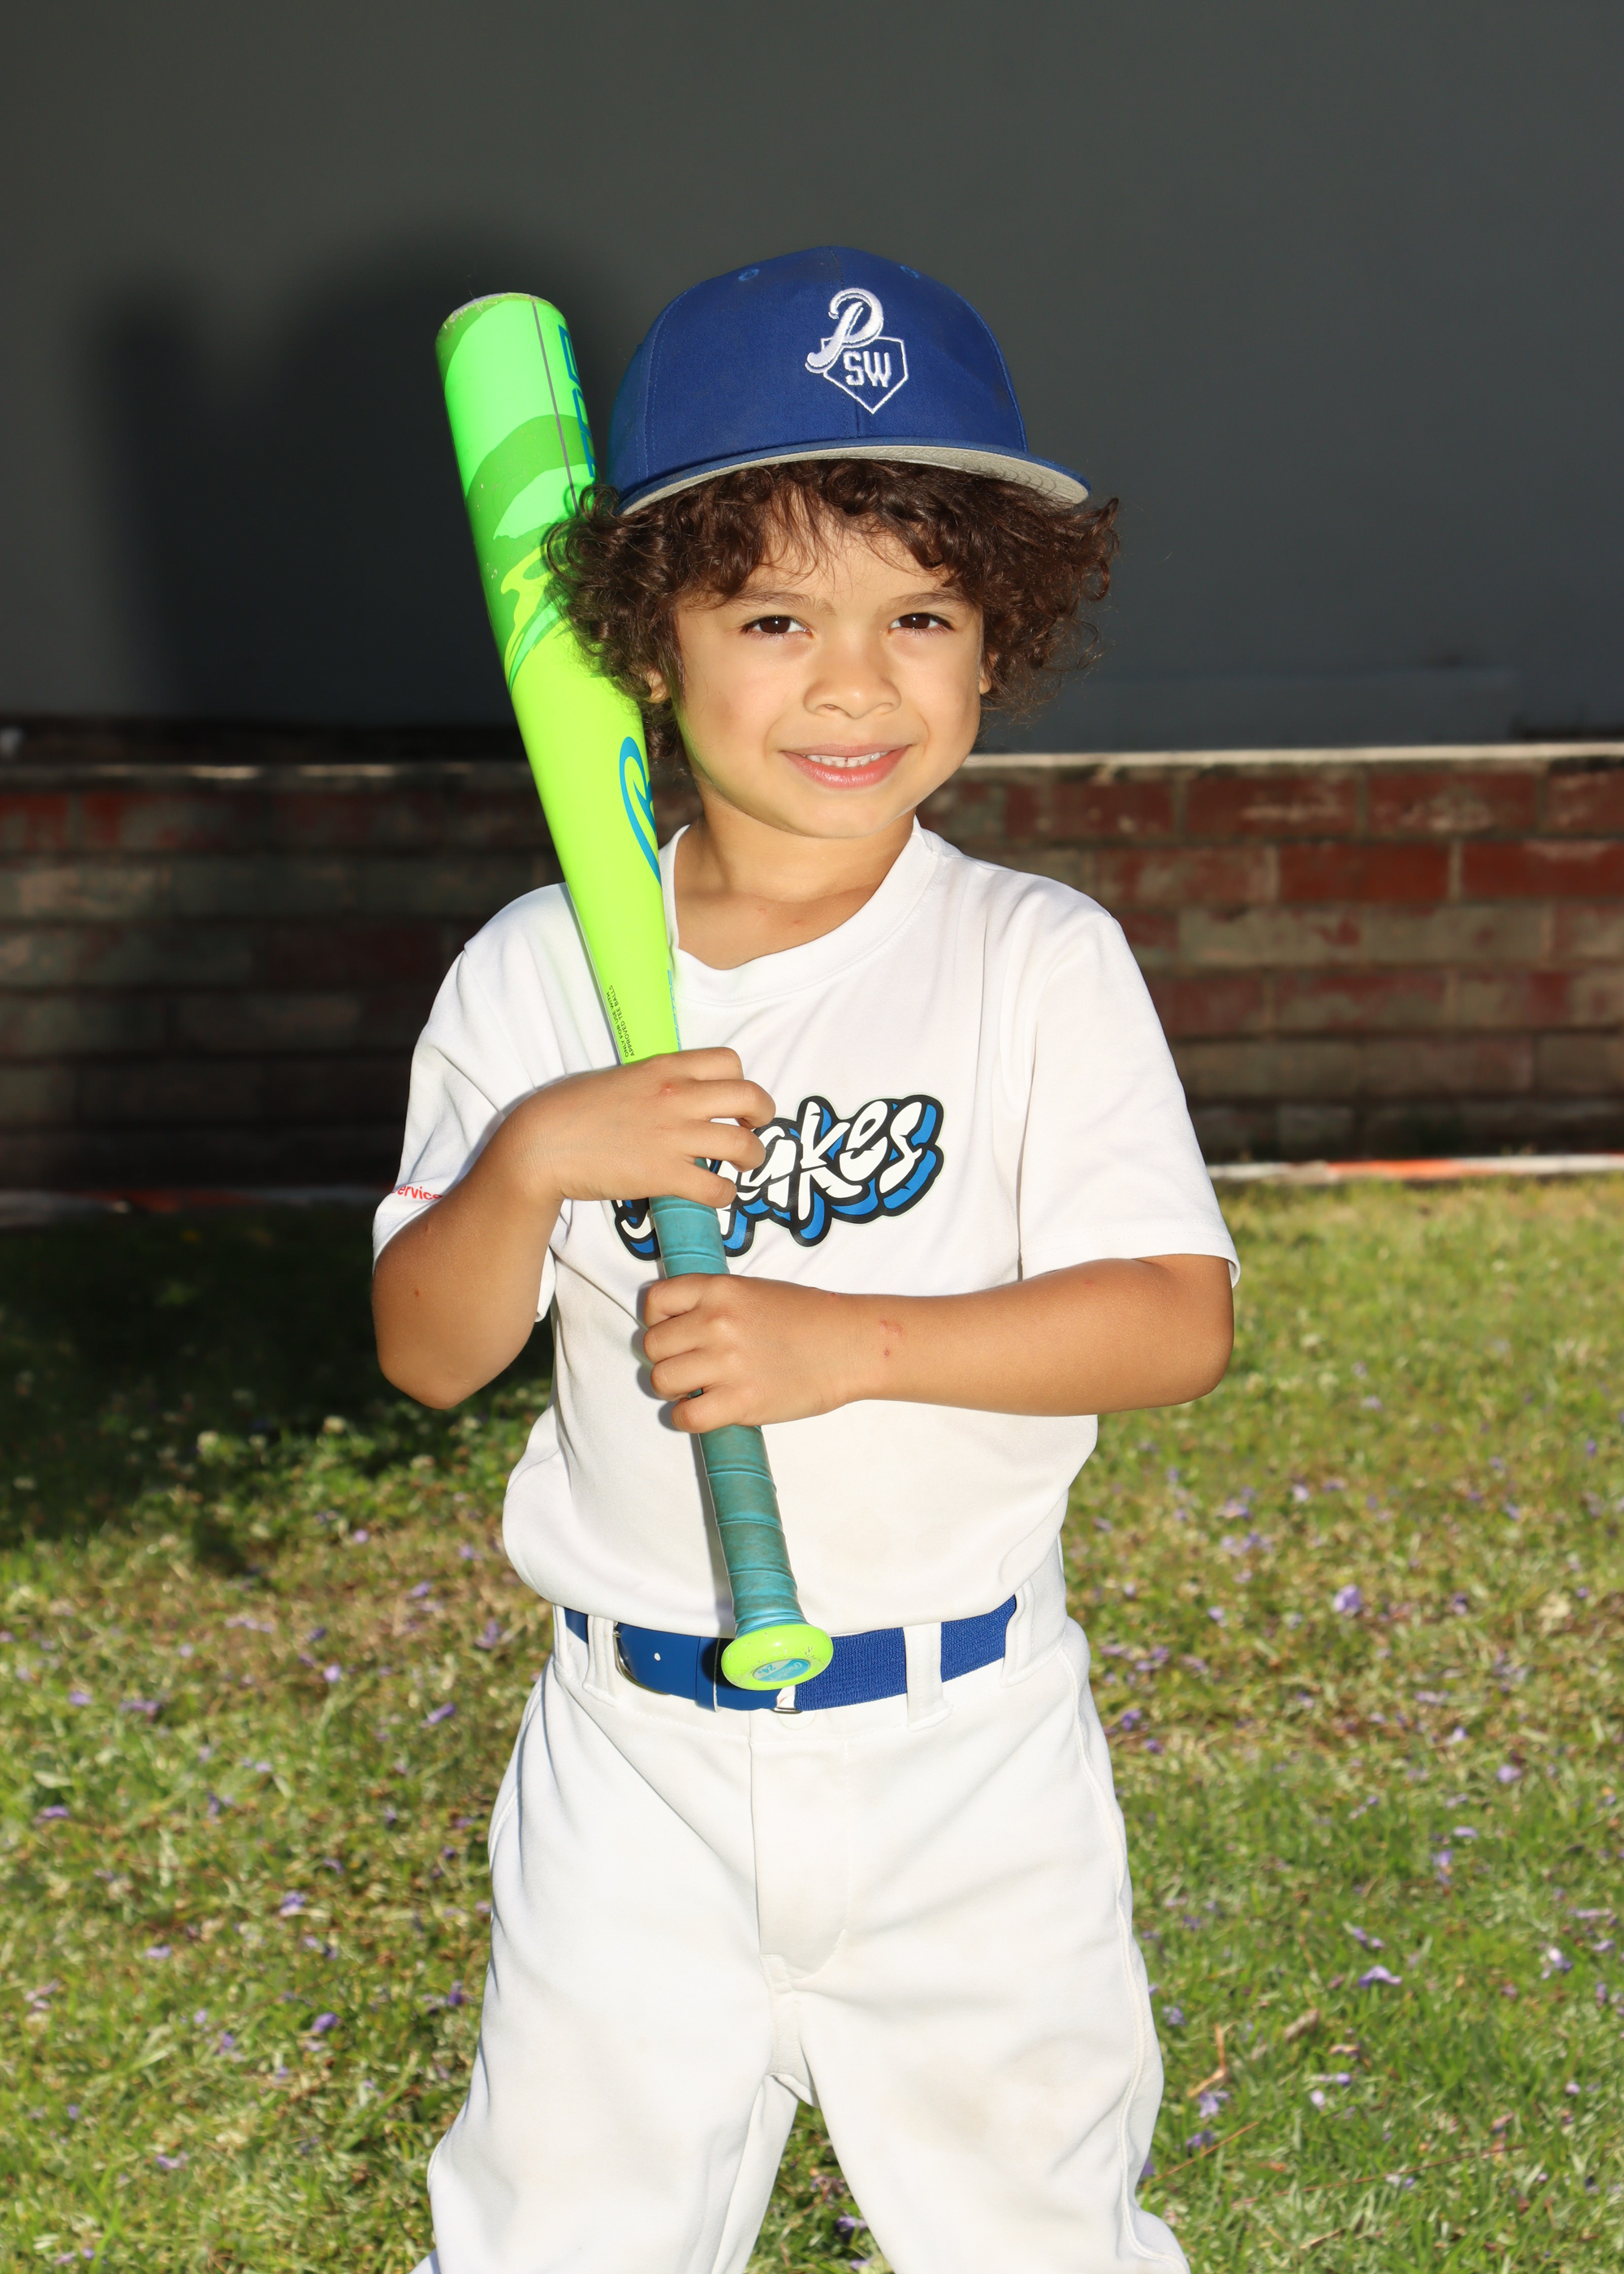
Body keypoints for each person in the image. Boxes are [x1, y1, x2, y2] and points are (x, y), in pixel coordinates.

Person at [372, 245, 1238, 2274]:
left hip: (968, 1752)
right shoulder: (532, 976)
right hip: (635, 1758)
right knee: (557, 2236)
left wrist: (852, 1341)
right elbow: (426, 1348)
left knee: (1035, 2231)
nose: (854, 683)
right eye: (773, 617)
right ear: (644, 643)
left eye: (918, 614)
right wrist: (533, 1160)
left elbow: (1169, 1319)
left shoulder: (1031, 958)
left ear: (996, 638)